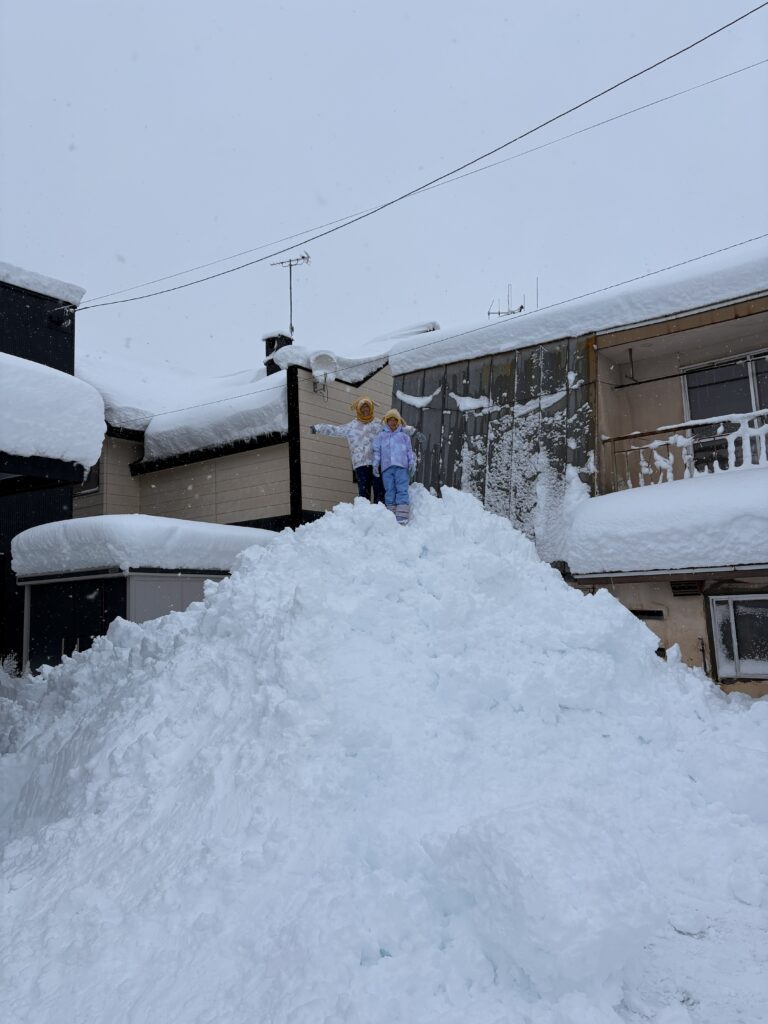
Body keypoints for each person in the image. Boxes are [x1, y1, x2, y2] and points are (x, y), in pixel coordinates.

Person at [310, 396, 385, 502]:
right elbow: (335, 430)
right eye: (362, 408)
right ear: (358, 410)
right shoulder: (352, 426)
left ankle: (381, 514)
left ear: (371, 408)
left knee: (380, 491)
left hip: (377, 463)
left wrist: (411, 430)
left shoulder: (379, 424)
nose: (365, 410)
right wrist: (318, 428)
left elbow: (394, 428)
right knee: (364, 494)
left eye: (367, 407)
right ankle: (364, 514)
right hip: (360, 464)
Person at [373, 409, 416, 525]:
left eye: (395, 420)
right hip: (387, 468)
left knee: (402, 489)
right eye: (390, 420)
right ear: (386, 421)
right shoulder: (381, 436)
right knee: (389, 490)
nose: (392, 422)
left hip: (401, 467)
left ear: (398, 421)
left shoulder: (404, 436)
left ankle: (402, 516)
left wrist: (411, 463)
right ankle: (391, 515)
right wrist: (376, 464)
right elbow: (377, 452)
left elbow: (409, 451)